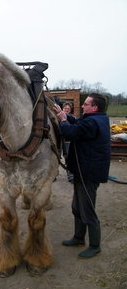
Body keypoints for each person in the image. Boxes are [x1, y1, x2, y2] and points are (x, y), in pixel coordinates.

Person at [53, 93, 111, 259]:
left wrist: (63, 121)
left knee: (87, 209)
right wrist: (66, 116)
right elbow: (79, 123)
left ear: (94, 108)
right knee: (77, 206)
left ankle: (95, 245)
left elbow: (71, 133)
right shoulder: (97, 119)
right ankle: (78, 238)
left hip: (88, 173)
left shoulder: (93, 122)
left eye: (86, 104)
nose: (83, 106)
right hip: (82, 170)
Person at [62, 102, 74, 184]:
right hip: (57, 141)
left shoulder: (72, 118)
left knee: (68, 158)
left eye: (68, 109)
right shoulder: (57, 117)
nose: (66, 110)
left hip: (67, 141)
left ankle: (70, 176)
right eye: (65, 108)